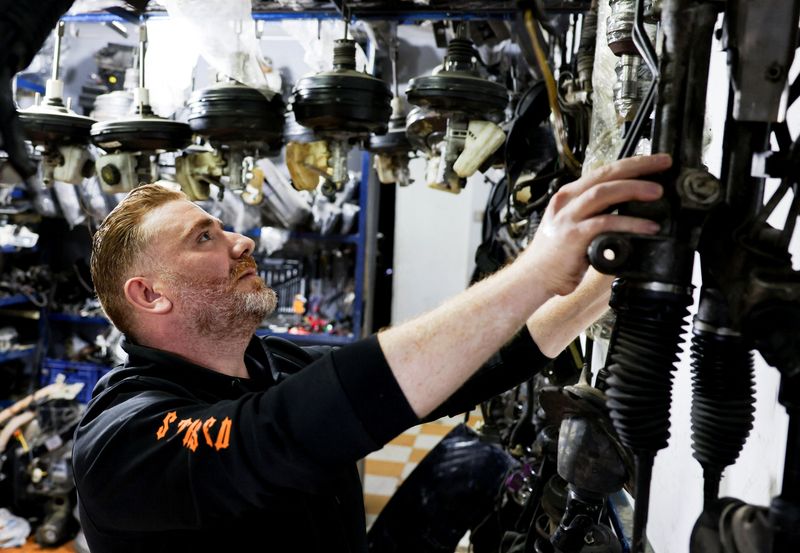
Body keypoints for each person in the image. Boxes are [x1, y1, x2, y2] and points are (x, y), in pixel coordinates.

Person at [72, 153, 671, 552]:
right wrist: (535, 271)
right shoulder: (124, 442)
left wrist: (601, 288)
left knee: (473, 457)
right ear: (149, 295)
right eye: (204, 237)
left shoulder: (268, 362)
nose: (242, 240)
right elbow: (283, 433)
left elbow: (444, 379)